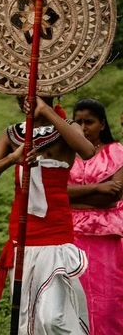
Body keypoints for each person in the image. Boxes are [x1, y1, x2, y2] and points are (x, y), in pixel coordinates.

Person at [0, 96, 95, 335]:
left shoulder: (68, 127)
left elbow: (87, 151)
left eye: (33, 91)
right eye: (20, 91)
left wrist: (46, 111)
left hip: (56, 237)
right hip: (23, 238)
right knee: (28, 317)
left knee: (53, 319)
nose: (25, 96)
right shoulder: (12, 134)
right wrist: (11, 159)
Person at [67, 98, 123, 335]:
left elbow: (112, 197)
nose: (83, 127)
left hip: (105, 237)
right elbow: (55, 193)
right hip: (70, 235)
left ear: (102, 123)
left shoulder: (117, 152)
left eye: (89, 121)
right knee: (73, 297)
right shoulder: (66, 154)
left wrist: (74, 197)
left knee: (106, 300)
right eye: (78, 122)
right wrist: (97, 188)